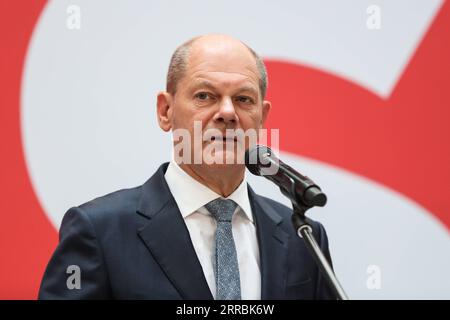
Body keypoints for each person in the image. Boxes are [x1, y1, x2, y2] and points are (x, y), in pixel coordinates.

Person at [38, 34, 335, 300]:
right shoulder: (100, 231)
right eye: (205, 96)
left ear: (262, 118)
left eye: (244, 99)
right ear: (165, 111)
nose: (228, 113)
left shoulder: (304, 238)